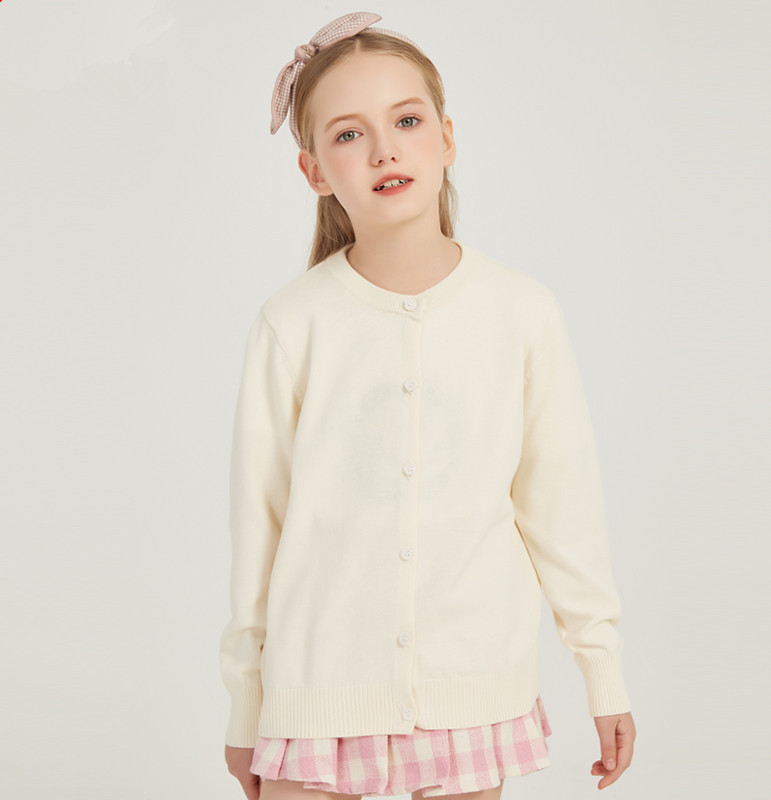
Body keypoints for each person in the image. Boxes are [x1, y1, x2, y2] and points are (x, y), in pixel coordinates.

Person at [220, 11, 637, 800]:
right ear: (314, 171)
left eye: (406, 121)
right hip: (318, 693)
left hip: (474, 687)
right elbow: (259, 529)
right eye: (349, 134)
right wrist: (246, 703)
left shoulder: (521, 311)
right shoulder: (292, 323)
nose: (385, 150)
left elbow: (562, 509)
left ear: (446, 138)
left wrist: (603, 673)